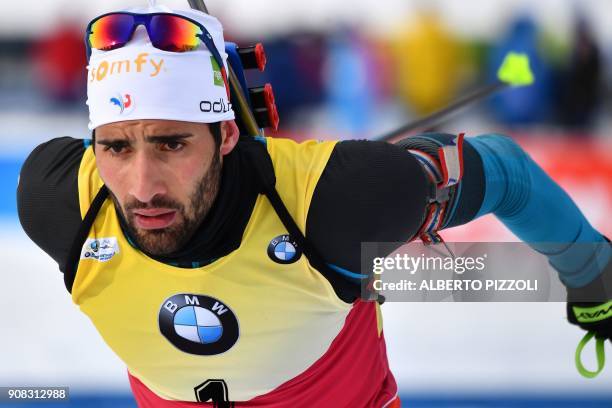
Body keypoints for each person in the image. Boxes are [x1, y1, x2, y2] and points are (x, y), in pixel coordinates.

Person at [16, 4, 611, 408]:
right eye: (116, 147)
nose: (141, 186)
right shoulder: (61, 200)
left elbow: (504, 172)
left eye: (172, 143)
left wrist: (593, 276)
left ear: (226, 135)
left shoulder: (337, 200)